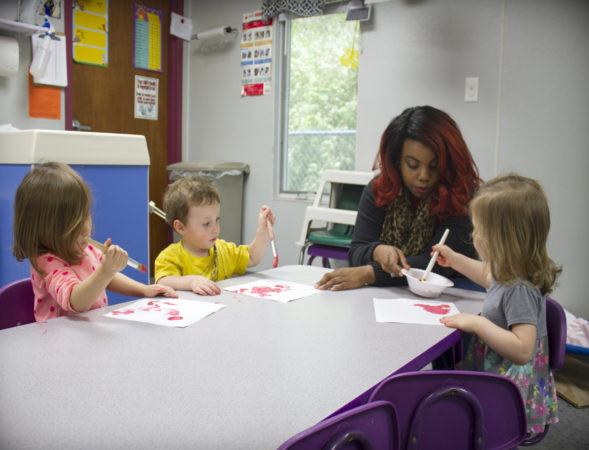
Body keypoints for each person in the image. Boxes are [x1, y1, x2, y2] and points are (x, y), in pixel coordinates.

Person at [435, 173, 561, 434]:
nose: (474, 235)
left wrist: (478, 323)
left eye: (479, 229)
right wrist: (455, 259)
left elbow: (522, 349)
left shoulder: (520, 290)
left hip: (509, 393)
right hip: (496, 378)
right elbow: (486, 275)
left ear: (503, 239)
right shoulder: (509, 271)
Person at [316, 105, 481, 290]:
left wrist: (370, 273)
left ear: (448, 164)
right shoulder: (380, 190)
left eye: (434, 166)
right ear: (397, 161)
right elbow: (357, 250)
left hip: (455, 292)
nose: (423, 176)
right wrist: (377, 251)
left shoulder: (462, 198)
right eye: (412, 165)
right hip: (393, 295)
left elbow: (436, 264)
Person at [13, 162, 176, 322]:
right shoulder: (46, 262)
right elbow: (75, 301)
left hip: (88, 335)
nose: (86, 228)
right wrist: (105, 271)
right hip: (58, 341)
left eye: (86, 215)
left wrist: (144, 290)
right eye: (75, 223)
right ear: (46, 229)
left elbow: (107, 277)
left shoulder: (85, 248)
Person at [155, 175, 276, 295]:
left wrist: (262, 230)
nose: (215, 229)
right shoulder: (170, 257)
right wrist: (191, 281)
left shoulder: (223, 250)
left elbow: (251, 257)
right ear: (180, 227)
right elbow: (163, 281)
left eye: (217, 220)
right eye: (206, 223)